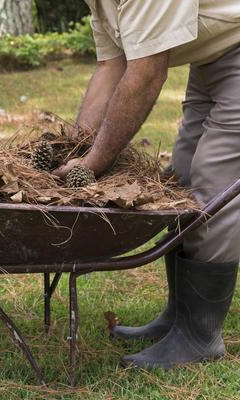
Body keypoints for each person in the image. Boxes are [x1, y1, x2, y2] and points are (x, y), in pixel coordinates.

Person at [54, 1, 240, 369]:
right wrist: (75, 146)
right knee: (182, 180)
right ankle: (178, 316)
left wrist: (93, 162)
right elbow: (111, 66)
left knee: (212, 188)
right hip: (214, 56)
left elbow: (146, 75)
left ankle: (200, 336)